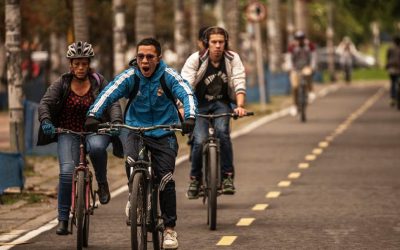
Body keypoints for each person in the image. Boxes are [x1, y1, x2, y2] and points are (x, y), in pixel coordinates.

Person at [84, 37, 197, 249]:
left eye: (149, 57)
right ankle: (134, 195)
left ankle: (170, 230)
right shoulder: (130, 77)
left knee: (166, 179)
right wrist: (93, 114)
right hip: (134, 130)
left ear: (159, 58)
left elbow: (187, 92)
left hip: (164, 132)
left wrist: (190, 117)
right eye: (140, 56)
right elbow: (109, 92)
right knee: (131, 161)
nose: (144, 61)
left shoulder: (169, 76)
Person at [37, 41, 123, 235]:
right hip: (68, 132)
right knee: (67, 172)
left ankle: (102, 182)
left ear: (89, 63)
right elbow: (45, 104)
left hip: (97, 130)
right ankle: (63, 220)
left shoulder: (99, 81)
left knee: (98, 148)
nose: (80, 68)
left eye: (84, 63)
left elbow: (113, 102)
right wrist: (46, 122)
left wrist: (116, 121)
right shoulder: (62, 83)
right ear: (71, 64)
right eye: (76, 63)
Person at [181, 26, 248, 199]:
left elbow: (239, 81)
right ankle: (195, 179)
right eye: (214, 42)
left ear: (225, 43)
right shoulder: (195, 60)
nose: (218, 45)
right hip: (199, 105)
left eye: (221, 42)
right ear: (206, 44)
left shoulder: (233, 58)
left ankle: (227, 177)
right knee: (199, 140)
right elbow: (185, 86)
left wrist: (239, 106)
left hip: (221, 104)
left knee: (223, 133)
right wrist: (184, 108)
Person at [287, 30, 317, 116]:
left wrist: (312, 66)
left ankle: (311, 91)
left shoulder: (309, 46)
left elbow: (313, 57)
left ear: (304, 39)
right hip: (295, 69)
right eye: (298, 39)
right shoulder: (292, 47)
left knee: (308, 74)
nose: (299, 40)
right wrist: (290, 68)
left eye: (301, 38)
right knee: (295, 86)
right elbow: (289, 58)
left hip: (306, 67)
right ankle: (294, 105)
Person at [385, 35, 400, 107]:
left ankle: (392, 98)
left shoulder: (390, 49)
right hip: (398, 69)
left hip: (391, 68)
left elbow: (388, 58)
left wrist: (387, 66)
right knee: (396, 83)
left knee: (393, 83)